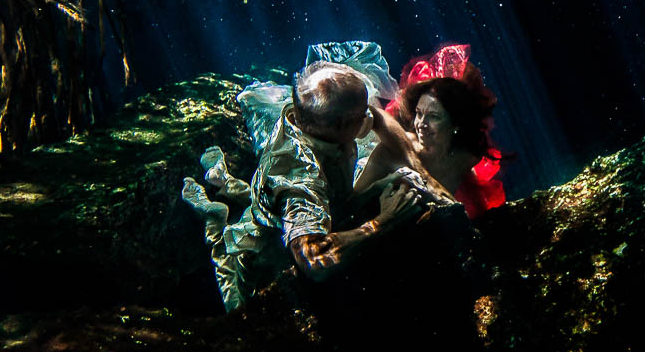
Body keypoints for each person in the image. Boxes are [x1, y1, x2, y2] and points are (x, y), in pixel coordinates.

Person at [182, 59, 424, 309]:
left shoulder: (308, 112)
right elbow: (314, 260)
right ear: (339, 126)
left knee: (268, 209)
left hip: (277, 203)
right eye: (362, 114)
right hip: (268, 262)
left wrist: (392, 180)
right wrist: (385, 221)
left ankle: (227, 183)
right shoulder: (301, 182)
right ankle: (214, 221)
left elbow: (333, 196)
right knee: (236, 304)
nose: (370, 116)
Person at [352, 47, 506, 219]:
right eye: (418, 113)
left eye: (434, 116)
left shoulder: (466, 158)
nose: (421, 124)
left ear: (456, 123)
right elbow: (352, 205)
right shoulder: (391, 152)